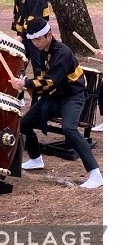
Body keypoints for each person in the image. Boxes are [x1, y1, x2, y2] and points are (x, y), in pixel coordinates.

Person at [9, 18, 102, 189]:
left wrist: (26, 83)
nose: (35, 43)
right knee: (24, 124)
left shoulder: (62, 53)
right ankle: (36, 158)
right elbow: (44, 81)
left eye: (38, 39)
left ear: (49, 35)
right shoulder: (44, 50)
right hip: (54, 96)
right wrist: (25, 84)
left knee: (69, 128)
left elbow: (50, 81)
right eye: (33, 40)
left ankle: (95, 173)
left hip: (73, 95)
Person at [10, 0, 51, 73]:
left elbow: (34, 20)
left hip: (36, 37)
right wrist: (19, 34)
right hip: (24, 36)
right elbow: (19, 14)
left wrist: (21, 36)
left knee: (38, 68)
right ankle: (19, 89)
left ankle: (41, 90)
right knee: (19, 65)